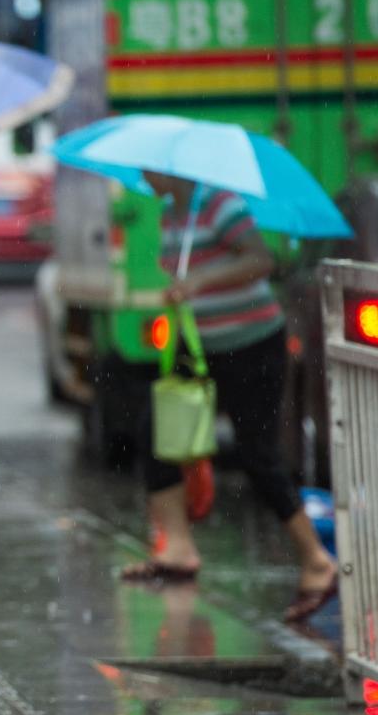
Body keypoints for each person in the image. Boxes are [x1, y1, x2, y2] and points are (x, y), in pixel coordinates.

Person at [119, 172, 338, 623]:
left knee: (257, 454)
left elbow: (261, 260)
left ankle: (317, 560)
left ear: (169, 169)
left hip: (252, 344)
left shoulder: (219, 205)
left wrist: (199, 281)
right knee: (156, 429)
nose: (142, 176)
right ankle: (177, 548)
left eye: (148, 169)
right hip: (202, 342)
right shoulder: (170, 213)